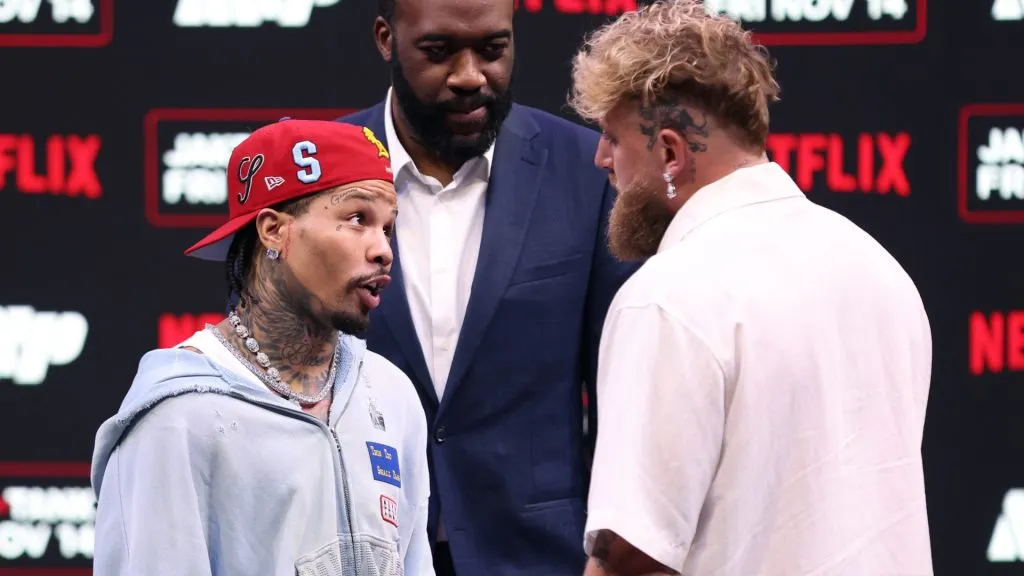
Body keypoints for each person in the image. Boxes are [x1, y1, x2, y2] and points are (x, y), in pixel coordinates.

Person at [568, 1, 935, 575]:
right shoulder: (880, 271)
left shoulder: (668, 298)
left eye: (613, 139)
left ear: (670, 153)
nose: (601, 159)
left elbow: (632, 561)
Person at [338, 0, 640, 572]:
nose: (470, 75)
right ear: (385, 38)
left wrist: (617, 552)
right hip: (357, 548)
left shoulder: (588, 170)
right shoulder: (316, 172)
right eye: (439, 51)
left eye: (493, 49)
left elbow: (624, 396)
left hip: (541, 556)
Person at [90, 120, 434, 576]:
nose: (383, 250)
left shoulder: (390, 393)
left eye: (387, 227)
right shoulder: (178, 416)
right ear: (274, 231)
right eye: (357, 219)